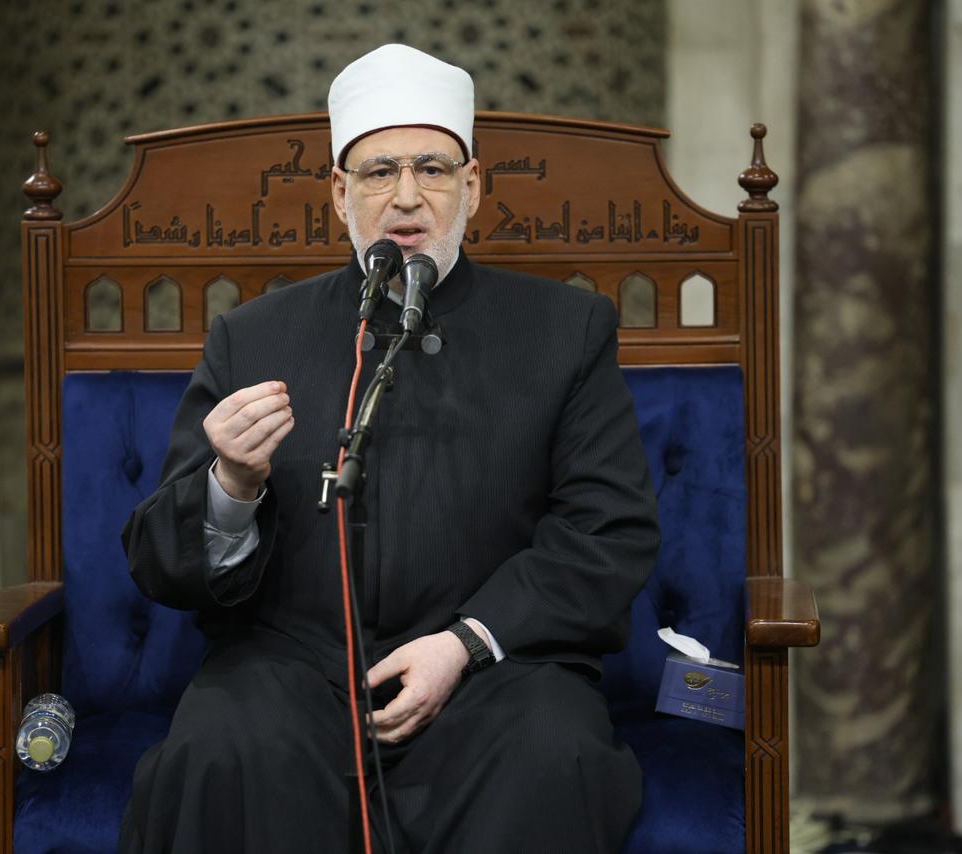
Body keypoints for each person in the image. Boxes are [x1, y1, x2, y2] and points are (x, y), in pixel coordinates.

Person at [118, 44, 660, 853]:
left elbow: (608, 529)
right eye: (378, 172)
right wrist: (230, 482)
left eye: (432, 169)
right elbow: (159, 562)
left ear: (473, 186)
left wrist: (465, 643)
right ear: (340, 193)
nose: (407, 197)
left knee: (553, 756)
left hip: (494, 673)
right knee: (219, 751)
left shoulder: (565, 331)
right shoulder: (252, 337)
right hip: (293, 670)